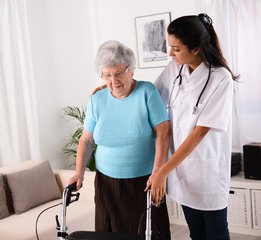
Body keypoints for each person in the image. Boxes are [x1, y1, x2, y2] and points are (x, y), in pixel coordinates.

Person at [148, 14, 239, 240]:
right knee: (196, 234)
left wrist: (163, 170)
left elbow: (199, 132)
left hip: (207, 173)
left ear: (196, 49)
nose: (171, 54)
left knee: (216, 234)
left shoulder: (221, 79)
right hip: (182, 172)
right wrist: (114, 84)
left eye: (176, 49)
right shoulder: (174, 69)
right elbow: (148, 95)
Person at [68, 40, 171, 239]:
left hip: (144, 181)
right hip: (107, 184)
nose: (113, 80)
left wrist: (158, 172)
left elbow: (164, 132)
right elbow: (87, 140)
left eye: (118, 73)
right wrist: (78, 173)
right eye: (107, 75)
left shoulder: (147, 92)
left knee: (148, 233)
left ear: (131, 71)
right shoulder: (97, 99)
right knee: (110, 234)